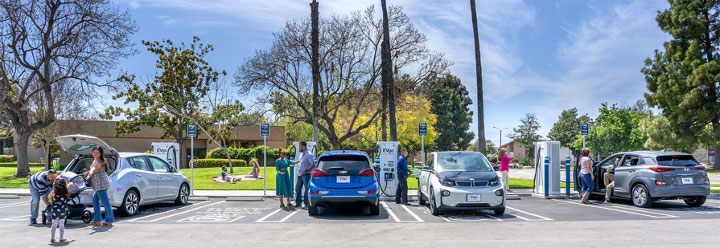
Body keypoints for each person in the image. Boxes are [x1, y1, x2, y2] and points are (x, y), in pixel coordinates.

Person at [84, 147, 114, 227]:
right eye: (94, 152)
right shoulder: (95, 160)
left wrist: (89, 174)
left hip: (101, 185)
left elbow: (93, 169)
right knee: (95, 201)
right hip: (98, 185)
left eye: (97, 152)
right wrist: (88, 172)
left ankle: (109, 221)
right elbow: (93, 169)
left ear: (100, 154)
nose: (95, 154)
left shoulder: (100, 161)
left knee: (105, 202)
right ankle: (97, 220)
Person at [293, 141, 314, 209]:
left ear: (304, 146)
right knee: (297, 188)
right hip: (300, 174)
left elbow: (313, 165)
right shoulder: (302, 154)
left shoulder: (309, 154)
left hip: (306, 174)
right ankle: (298, 203)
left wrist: (306, 170)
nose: (299, 147)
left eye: (300, 146)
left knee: (306, 189)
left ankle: (306, 204)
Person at [48, 178, 69, 243]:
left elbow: (49, 197)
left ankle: (52, 238)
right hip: (62, 210)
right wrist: (69, 185)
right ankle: (61, 238)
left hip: (54, 210)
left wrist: (51, 198)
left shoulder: (53, 193)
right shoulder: (65, 193)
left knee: (53, 225)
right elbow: (67, 188)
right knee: (61, 225)